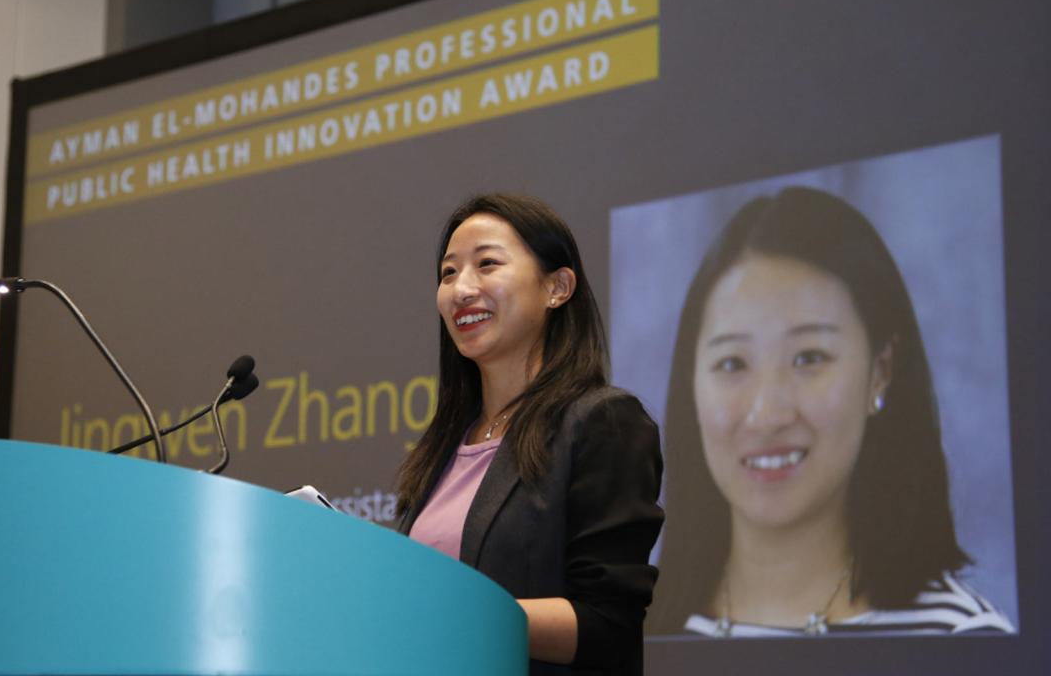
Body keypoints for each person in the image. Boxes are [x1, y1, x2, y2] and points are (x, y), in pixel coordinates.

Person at [647, 186, 1014, 636]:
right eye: (732, 363)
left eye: (809, 358)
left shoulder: (966, 641)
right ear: (691, 384)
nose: (767, 414)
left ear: (880, 371)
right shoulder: (635, 631)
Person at [396, 193, 664, 675]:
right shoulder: (442, 445)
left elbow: (607, 627)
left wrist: (456, 610)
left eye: (487, 264)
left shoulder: (603, 422)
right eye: (448, 272)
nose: (461, 289)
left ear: (557, 287)